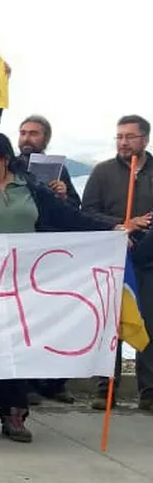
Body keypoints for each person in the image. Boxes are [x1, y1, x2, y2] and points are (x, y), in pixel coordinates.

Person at [0, 131, 124, 443]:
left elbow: (68, 218)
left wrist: (112, 229)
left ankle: (14, 413)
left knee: (16, 349)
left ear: (4, 159)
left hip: (24, 286)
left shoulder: (31, 187)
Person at [80, 114, 153, 411]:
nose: (123, 142)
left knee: (147, 321)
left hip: (148, 259)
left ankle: (148, 390)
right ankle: (105, 388)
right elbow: (87, 213)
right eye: (119, 136)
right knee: (109, 321)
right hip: (111, 257)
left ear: (144, 139)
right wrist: (123, 225)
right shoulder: (102, 172)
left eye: (130, 137)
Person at [15, 115, 81, 208]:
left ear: (46, 138)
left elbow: (75, 206)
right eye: (23, 133)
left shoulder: (58, 169)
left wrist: (63, 196)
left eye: (33, 134)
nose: (26, 139)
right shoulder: (9, 166)